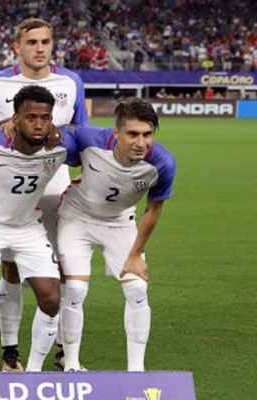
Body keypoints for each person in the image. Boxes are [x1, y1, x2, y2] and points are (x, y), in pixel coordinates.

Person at [0, 17, 88, 371]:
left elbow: (83, 132)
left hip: (56, 187)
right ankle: (10, 352)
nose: (39, 48)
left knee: (63, 273)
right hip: (10, 191)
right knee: (12, 270)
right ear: (17, 47)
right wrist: (1, 126)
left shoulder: (71, 82)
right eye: (31, 42)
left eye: (45, 41)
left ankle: (65, 351)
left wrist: (60, 133)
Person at [57, 99, 176, 372]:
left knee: (137, 290)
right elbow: (55, 134)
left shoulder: (162, 163)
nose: (141, 142)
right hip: (77, 219)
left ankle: (136, 370)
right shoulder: (89, 139)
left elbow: (153, 210)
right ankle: (70, 364)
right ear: (116, 133)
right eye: (133, 134)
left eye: (147, 134)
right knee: (74, 290)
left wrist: (135, 254)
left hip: (120, 223)